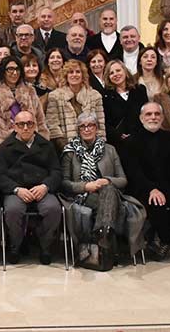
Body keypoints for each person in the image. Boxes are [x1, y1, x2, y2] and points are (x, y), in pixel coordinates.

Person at [61, 112, 145, 270]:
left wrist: (107, 180)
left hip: (110, 193)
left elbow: (123, 179)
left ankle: (102, 237)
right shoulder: (69, 151)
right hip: (83, 195)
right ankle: (106, 238)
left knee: (108, 190)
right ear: (78, 130)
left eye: (90, 125)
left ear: (97, 128)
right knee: (108, 198)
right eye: (82, 126)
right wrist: (85, 186)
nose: (87, 129)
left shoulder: (110, 149)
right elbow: (64, 183)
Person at [121, 103, 170, 260]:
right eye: (148, 114)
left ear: (162, 118)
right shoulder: (131, 141)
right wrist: (151, 189)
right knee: (156, 203)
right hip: (142, 187)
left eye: (157, 114)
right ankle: (166, 240)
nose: (153, 117)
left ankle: (159, 234)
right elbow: (133, 172)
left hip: (169, 186)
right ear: (141, 118)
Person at [0, 111, 62, 265]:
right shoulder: (4, 148)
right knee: (13, 210)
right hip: (16, 190)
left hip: (42, 189)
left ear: (35, 125)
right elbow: (0, 176)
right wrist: (16, 189)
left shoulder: (46, 145)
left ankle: (45, 245)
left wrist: (45, 186)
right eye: (21, 124)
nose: (25, 128)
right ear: (14, 126)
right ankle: (15, 245)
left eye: (29, 124)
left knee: (53, 208)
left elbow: (56, 172)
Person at [0, 56, 49, 149]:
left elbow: (40, 120)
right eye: (10, 69)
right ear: (3, 71)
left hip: (32, 145)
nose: (15, 73)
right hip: (4, 147)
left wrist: (43, 144)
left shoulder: (30, 90)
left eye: (17, 69)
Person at [46, 59, 105, 152]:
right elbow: (53, 126)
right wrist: (67, 149)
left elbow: (100, 125)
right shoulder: (55, 96)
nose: (74, 75)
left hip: (92, 147)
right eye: (71, 72)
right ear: (66, 76)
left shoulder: (95, 95)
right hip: (65, 148)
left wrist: (97, 148)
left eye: (78, 72)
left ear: (83, 75)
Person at [101, 59, 148, 147]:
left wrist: (136, 134)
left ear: (125, 72)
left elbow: (146, 114)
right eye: (111, 73)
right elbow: (105, 122)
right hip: (117, 142)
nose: (115, 74)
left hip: (141, 139)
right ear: (108, 77)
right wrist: (118, 135)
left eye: (118, 70)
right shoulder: (105, 96)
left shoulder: (140, 90)